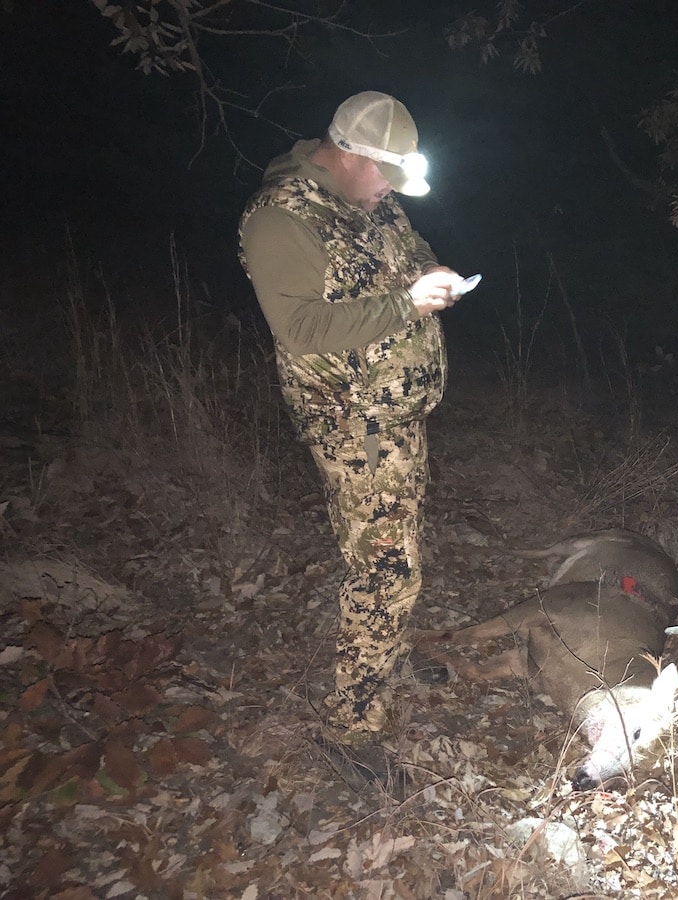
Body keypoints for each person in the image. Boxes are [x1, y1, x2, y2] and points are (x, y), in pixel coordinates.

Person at [238, 91, 466, 739]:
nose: (388, 193)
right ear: (349, 154)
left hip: (396, 410)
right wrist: (408, 305)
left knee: (399, 546)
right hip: (351, 422)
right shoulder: (280, 218)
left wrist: (429, 269)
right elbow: (302, 328)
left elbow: (409, 240)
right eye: (384, 178)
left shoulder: (371, 194)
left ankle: (384, 652)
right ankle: (353, 726)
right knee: (386, 565)